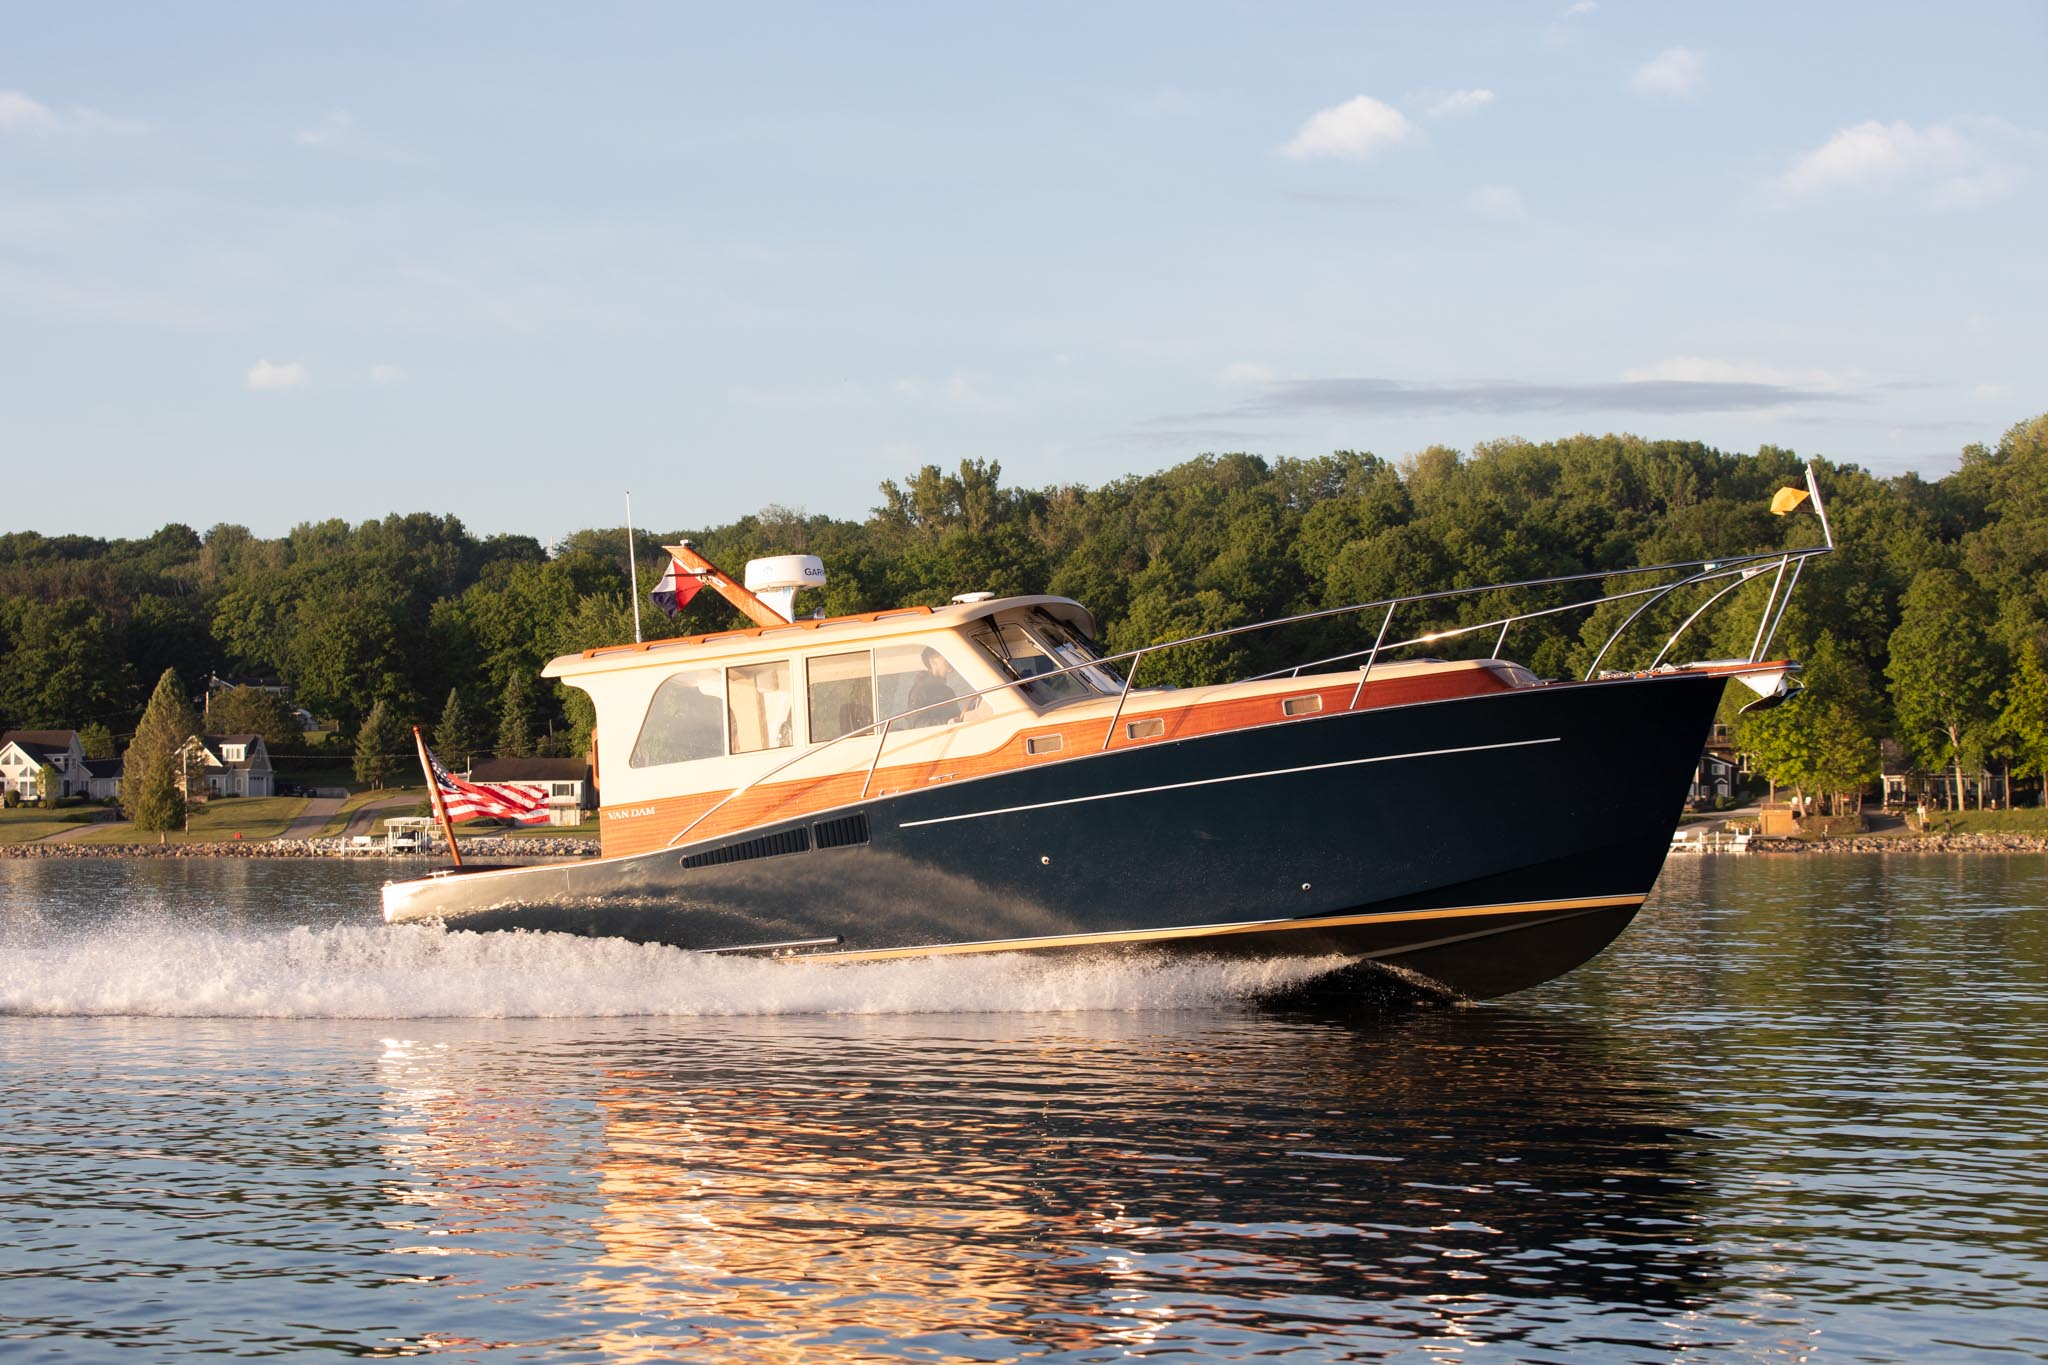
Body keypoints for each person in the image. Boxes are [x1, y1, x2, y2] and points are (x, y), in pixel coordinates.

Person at [905, 647, 972, 726]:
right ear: (933, 661)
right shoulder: (921, 689)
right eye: (946, 657)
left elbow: (956, 716)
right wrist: (946, 722)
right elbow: (916, 723)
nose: (951, 660)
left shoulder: (948, 691)